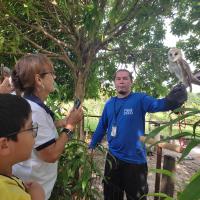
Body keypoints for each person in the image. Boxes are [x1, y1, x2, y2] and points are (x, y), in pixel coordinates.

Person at [89, 69, 187, 200]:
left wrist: (172, 101)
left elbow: (158, 104)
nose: (121, 81)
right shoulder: (109, 104)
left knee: (137, 198)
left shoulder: (140, 99)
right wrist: (92, 145)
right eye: (118, 79)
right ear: (114, 82)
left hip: (135, 162)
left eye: (125, 78)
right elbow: (101, 126)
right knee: (111, 196)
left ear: (131, 82)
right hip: (112, 158)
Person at [11, 54, 83, 200]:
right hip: (34, 189)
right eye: (51, 73)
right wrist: (70, 126)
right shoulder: (35, 112)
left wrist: (61, 122)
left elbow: (36, 132)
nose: (54, 77)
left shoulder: (24, 102)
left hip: (24, 181)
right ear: (39, 80)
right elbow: (51, 154)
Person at [0, 93, 45, 200]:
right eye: (30, 128)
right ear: (4, 145)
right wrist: (38, 197)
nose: (34, 134)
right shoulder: (9, 194)